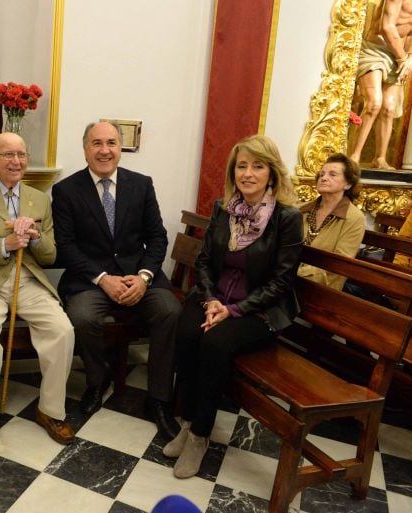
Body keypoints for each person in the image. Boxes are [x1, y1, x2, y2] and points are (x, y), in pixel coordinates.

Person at [164, 135, 303, 479]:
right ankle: (186, 422)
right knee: (184, 330)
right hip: (215, 299)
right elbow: (206, 261)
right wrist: (211, 300)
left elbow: (281, 283)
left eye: (258, 166)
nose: (248, 173)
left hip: (259, 310)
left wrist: (233, 310)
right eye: (242, 166)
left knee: (213, 342)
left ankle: (199, 436)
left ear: (271, 173)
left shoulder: (287, 217)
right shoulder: (222, 208)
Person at [52, 121, 182, 439]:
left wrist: (144, 277)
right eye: (97, 143)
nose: (105, 150)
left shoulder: (141, 184)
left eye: (111, 142)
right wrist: (102, 278)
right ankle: (98, 380)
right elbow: (66, 246)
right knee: (81, 317)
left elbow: (157, 237)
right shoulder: (66, 190)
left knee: (170, 311)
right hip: (90, 279)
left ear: (120, 149)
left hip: (138, 274)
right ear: (85, 149)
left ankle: (160, 398)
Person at [0, 132, 75, 453]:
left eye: (21, 155)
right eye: (8, 154)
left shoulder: (39, 199)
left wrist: (36, 238)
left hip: (28, 278)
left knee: (62, 329)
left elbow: (51, 255)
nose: (16, 161)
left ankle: (50, 411)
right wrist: (4, 244)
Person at [349, 0, 412, 169]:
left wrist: (410, 58)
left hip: (399, 55)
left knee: (389, 108)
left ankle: (380, 158)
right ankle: (354, 156)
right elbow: (387, 27)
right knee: (374, 103)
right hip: (375, 50)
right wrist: (403, 59)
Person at [298, 153, 365, 290]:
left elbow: (337, 267)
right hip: (285, 281)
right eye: (322, 174)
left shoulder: (354, 218)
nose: (324, 178)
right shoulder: (301, 210)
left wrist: (293, 273)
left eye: (332, 174)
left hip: (321, 290)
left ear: (348, 184)